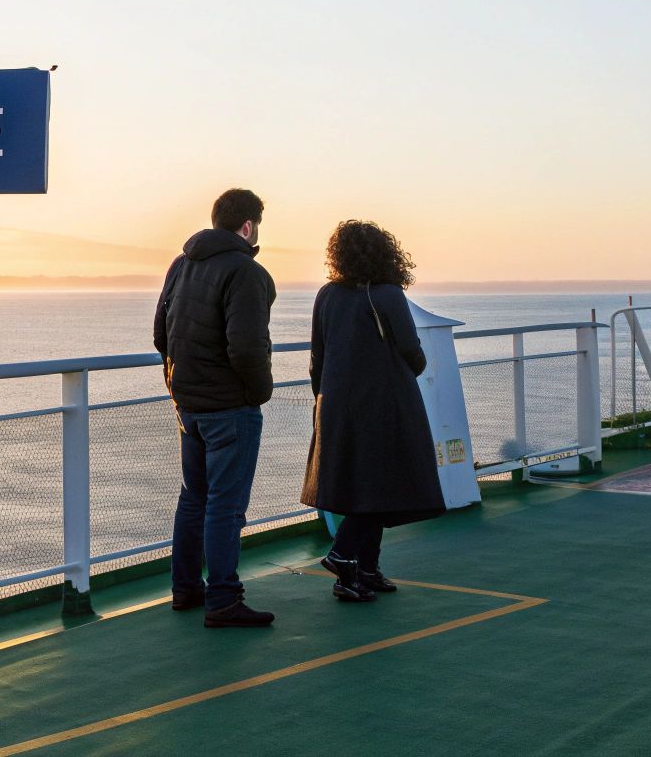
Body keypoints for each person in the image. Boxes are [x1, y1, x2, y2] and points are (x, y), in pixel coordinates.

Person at [300, 220, 446, 602]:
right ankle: (342, 555)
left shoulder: (327, 294)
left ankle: (361, 572)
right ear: (386, 253)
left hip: (334, 404)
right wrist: (413, 369)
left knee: (361, 485)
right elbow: (411, 349)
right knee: (381, 483)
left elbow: (317, 356)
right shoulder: (387, 293)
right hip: (383, 404)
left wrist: (323, 397)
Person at [153, 188, 277, 628]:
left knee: (194, 498)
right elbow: (246, 348)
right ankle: (224, 598)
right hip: (229, 407)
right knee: (226, 504)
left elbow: (160, 333)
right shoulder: (246, 272)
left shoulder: (182, 264)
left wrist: (179, 383)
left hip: (187, 405)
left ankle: (186, 589)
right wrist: (259, 392)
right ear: (248, 226)